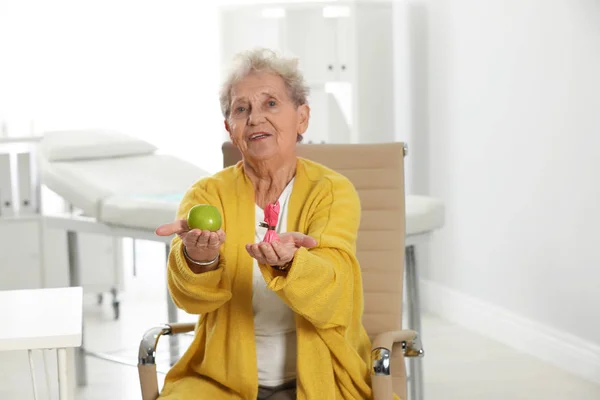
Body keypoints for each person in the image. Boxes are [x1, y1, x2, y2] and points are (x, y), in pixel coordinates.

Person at [155, 48, 375, 400]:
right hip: (221, 381)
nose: (255, 118)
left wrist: (291, 263)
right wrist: (200, 259)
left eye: (271, 103)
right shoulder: (207, 193)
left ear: (302, 117)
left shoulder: (332, 191)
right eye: (242, 109)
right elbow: (190, 300)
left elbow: (337, 293)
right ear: (230, 128)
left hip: (322, 380)